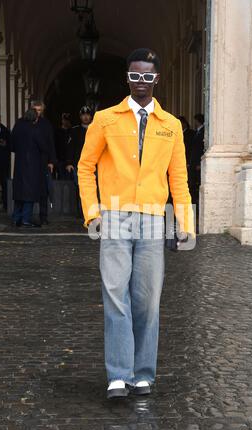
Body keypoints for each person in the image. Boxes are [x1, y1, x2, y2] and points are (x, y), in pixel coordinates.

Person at [78, 48, 195, 399]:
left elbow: (179, 179)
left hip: (152, 218)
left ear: (156, 79)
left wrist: (185, 223)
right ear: (127, 77)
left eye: (147, 76)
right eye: (135, 76)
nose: (141, 83)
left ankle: (143, 373)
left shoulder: (171, 126)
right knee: (115, 294)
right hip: (113, 215)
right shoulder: (105, 119)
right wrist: (93, 214)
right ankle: (118, 374)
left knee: (147, 299)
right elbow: (85, 167)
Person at [11, 109, 48, 228]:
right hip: (32, 165)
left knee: (19, 192)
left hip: (19, 165)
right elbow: (43, 147)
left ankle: (16, 217)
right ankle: (25, 219)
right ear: (35, 118)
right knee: (29, 193)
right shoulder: (35, 130)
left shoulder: (17, 128)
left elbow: (11, 146)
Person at [31, 100, 57, 225]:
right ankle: (28, 216)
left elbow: (51, 143)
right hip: (30, 161)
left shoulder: (46, 124)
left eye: (40, 110)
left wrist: (51, 161)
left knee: (44, 190)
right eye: (35, 110)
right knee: (29, 188)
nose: (37, 112)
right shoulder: (27, 123)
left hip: (43, 161)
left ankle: (43, 216)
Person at [65, 106, 93, 216]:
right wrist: (69, 163)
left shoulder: (97, 129)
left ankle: (92, 211)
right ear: (80, 116)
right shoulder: (75, 130)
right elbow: (70, 148)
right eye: (83, 115)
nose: (86, 117)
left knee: (94, 188)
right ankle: (81, 211)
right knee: (80, 188)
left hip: (94, 164)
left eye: (88, 115)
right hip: (79, 163)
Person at [190, 113, 205, 210]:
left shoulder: (203, 131)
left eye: (195, 120)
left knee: (197, 184)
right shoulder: (197, 131)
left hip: (198, 163)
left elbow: (201, 148)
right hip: (194, 163)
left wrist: (200, 163)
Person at [178, 116, 194, 195]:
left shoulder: (190, 133)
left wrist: (189, 162)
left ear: (184, 123)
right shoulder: (178, 133)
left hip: (187, 161)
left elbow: (191, 149)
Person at [55, 113, 72, 180]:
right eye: (65, 120)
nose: (66, 121)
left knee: (70, 179)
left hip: (70, 160)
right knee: (61, 178)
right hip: (60, 159)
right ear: (62, 120)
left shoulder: (72, 131)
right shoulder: (57, 132)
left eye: (68, 120)